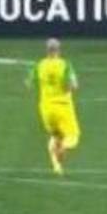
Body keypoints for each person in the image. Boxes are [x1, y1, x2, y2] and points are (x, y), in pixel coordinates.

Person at [25, 38, 81, 176]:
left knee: (55, 136)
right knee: (73, 136)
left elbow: (28, 84)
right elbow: (74, 86)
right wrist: (68, 88)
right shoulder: (65, 65)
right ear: (58, 50)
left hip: (46, 109)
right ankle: (64, 147)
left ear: (47, 50)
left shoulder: (39, 65)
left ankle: (57, 166)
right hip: (63, 107)